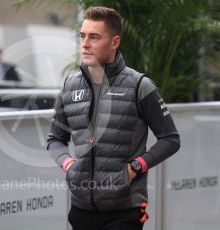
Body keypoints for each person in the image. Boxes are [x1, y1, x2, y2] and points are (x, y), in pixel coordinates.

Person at [47, 6, 180, 230]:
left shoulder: (139, 85)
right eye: (82, 36)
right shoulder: (70, 86)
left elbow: (170, 138)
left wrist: (135, 168)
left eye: (94, 37)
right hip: (81, 210)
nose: (85, 44)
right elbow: (55, 139)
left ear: (114, 42)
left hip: (125, 210)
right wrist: (69, 166)